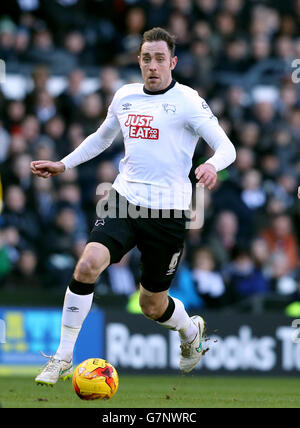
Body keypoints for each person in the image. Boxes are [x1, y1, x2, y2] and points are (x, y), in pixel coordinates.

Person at [31, 27, 236, 385]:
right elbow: (101, 138)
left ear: (172, 62)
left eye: (159, 59)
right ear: (138, 61)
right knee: (87, 265)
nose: (152, 66)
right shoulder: (125, 96)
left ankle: (190, 331)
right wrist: (64, 163)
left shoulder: (188, 101)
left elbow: (227, 148)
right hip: (125, 200)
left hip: (168, 214)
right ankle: (63, 356)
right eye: (146, 58)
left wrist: (210, 165)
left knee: (151, 305)